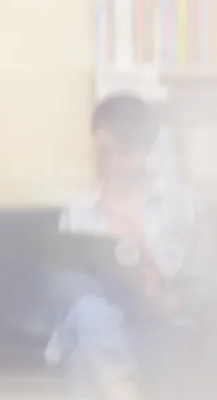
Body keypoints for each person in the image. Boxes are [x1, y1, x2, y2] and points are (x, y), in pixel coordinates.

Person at [46, 95, 216, 400]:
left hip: (159, 321)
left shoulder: (182, 206)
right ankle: (121, 389)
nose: (111, 163)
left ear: (145, 151)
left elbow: (204, 281)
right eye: (103, 152)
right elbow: (65, 290)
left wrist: (174, 300)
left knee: (87, 342)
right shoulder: (78, 212)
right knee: (87, 312)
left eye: (122, 152)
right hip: (101, 319)